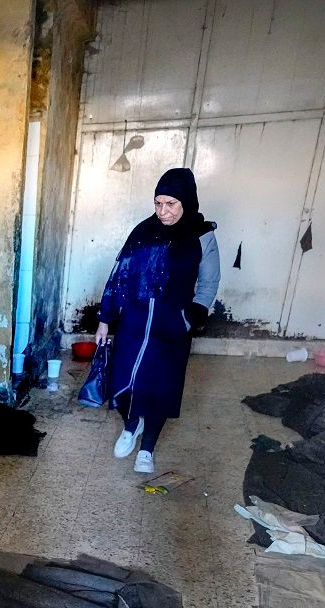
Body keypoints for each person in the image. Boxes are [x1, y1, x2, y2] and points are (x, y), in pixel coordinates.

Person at [81, 167, 220, 474]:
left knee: (159, 388)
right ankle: (131, 425)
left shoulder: (202, 236)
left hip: (172, 326)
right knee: (124, 380)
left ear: (186, 202)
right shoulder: (143, 231)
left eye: (171, 204)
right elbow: (119, 275)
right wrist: (105, 319)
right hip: (134, 322)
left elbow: (209, 284)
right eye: (158, 203)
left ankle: (147, 448)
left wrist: (189, 318)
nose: (162, 211)